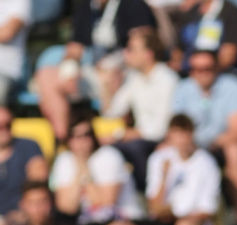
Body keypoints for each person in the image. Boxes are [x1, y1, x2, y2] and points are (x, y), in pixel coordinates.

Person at [34, 0, 157, 142]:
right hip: (96, 71)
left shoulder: (133, 5)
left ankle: (111, 142)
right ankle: (64, 141)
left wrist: (117, 66)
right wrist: (70, 69)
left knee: (111, 77)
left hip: (129, 73)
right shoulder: (86, 7)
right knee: (46, 76)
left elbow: (143, 47)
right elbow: (75, 48)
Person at [102, 114, 221, 225]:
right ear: (169, 135)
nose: (181, 140)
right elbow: (154, 206)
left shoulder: (206, 163)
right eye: (176, 134)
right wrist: (165, 178)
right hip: (161, 222)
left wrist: (177, 214)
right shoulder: (159, 158)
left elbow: (208, 210)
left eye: (184, 134)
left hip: (191, 223)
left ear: (192, 135)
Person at [172, 49, 237, 225]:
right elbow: (177, 128)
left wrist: (203, 144)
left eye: (207, 68)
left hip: (232, 144)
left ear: (217, 68)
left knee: (234, 151)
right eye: (197, 69)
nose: (202, 73)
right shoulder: (183, 89)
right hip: (198, 146)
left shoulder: (232, 86)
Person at [107, 30, 179, 192]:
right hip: (140, 139)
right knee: (106, 150)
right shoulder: (135, 77)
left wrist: (125, 134)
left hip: (159, 141)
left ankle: (146, 195)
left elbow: (161, 128)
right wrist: (110, 83)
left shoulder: (168, 80)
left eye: (132, 49)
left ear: (148, 54)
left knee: (134, 147)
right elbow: (113, 112)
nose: (126, 53)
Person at [175, 0, 237, 73]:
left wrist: (204, 69)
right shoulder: (190, 13)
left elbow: (229, 55)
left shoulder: (232, 13)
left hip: (221, 74)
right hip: (189, 72)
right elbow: (178, 50)